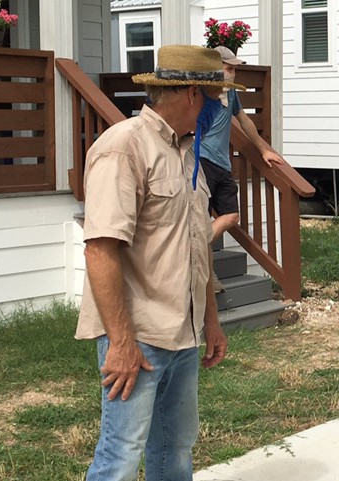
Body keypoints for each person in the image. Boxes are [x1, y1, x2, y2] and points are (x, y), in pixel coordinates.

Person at [75, 44, 232, 481]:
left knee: (176, 450)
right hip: (138, 339)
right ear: (191, 96)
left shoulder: (187, 154)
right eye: (215, 100)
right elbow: (100, 249)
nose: (218, 112)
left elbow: (196, 245)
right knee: (121, 456)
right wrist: (122, 344)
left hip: (182, 333)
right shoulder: (123, 148)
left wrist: (211, 321)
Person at [199, 46, 285, 244]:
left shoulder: (231, 93)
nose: (233, 73)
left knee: (231, 215)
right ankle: (195, 253)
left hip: (222, 164)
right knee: (199, 215)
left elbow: (244, 120)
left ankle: (196, 245)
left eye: (234, 69)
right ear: (214, 68)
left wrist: (263, 149)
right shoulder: (201, 93)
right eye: (229, 68)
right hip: (202, 160)